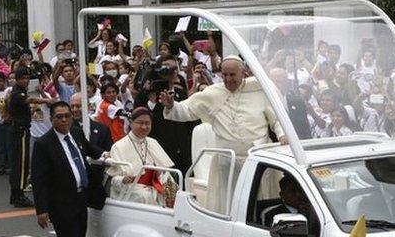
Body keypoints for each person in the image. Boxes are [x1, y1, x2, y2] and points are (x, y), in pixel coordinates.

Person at [160, 55, 285, 213]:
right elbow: (187, 110)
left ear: (243, 72)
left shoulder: (259, 88)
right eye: (224, 75)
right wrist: (172, 106)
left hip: (256, 160)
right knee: (229, 205)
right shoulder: (213, 93)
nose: (228, 79)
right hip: (228, 162)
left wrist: (281, 135)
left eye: (232, 75)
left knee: (257, 206)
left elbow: (277, 118)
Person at [31, 101, 105, 237]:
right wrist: (42, 210)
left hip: (81, 198)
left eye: (67, 116)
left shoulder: (76, 133)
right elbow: (39, 179)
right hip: (61, 203)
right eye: (59, 117)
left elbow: (90, 149)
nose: (64, 120)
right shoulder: (44, 144)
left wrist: (106, 155)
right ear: (51, 119)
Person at [107, 107, 176, 207]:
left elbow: (164, 172)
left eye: (147, 123)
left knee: (176, 193)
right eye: (140, 123)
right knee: (145, 196)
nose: (144, 127)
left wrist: (171, 190)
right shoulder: (118, 146)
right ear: (131, 123)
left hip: (155, 186)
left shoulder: (153, 142)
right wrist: (123, 180)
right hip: (132, 190)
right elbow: (114, 179)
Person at [8, 68, 46, 207]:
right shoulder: (18, 92)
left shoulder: (19, 91)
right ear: (17, 79)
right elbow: (30, 99)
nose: (25, 81)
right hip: (20, 131)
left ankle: (15, 194)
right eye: (22, 78)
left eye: (27, 78)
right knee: (21, 164)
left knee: (19, 163)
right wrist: (47, 100)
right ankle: (19, 195)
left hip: (20, 130)